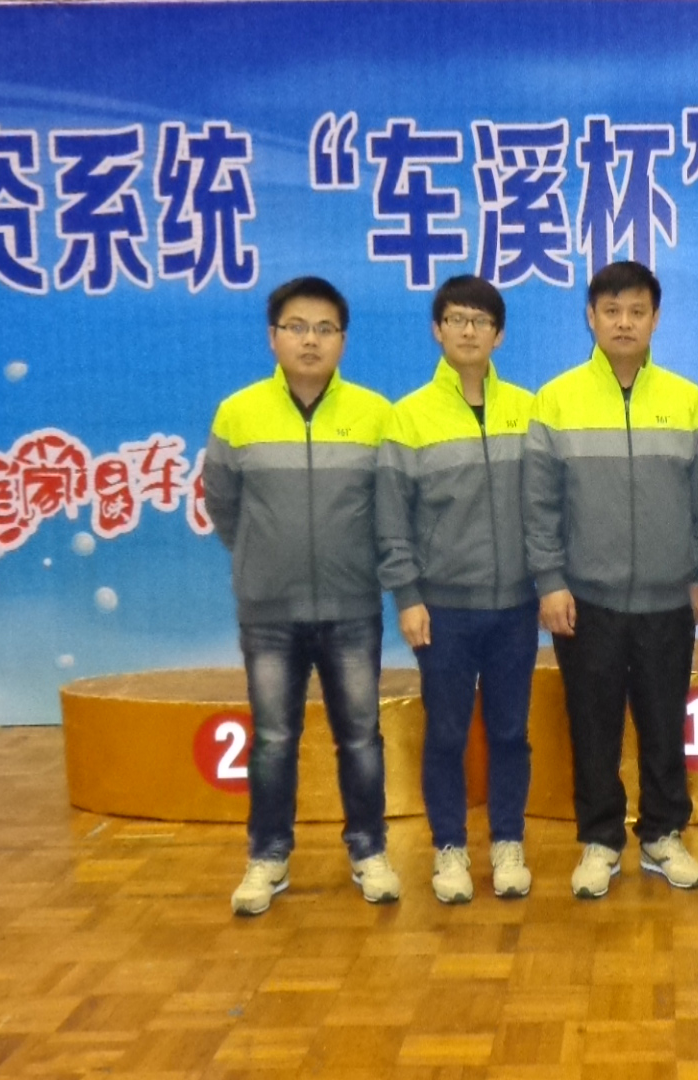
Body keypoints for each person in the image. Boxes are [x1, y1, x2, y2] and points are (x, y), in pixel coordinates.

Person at [204, 275, 397, 914]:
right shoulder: (238, 413)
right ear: (273, 337)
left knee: (361, 738)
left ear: (343, 339)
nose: (310, 340)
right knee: (272, 739)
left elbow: (389, 509)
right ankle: (267, 856)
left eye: (324, 329)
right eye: (296, 327)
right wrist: (264, 557)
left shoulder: (375, 414)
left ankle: (369, 850)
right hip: (269, 611)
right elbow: (223, 505)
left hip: (352, 606)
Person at [523, 260, 698, 899]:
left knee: (663, 724)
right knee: (593, 726)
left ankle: (663, 835)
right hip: (586, 599)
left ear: (655, 318)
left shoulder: (684, 399)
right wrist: (551, 581)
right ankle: (600, 840)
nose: (624, 323)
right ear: (591, 317)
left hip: (666, 599)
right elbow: (540, 504)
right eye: (611, 311)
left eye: (636, 311)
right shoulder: (557, 399)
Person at [377, 275, 537, 904]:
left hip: (516, 607)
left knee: (510, 732)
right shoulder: (409, 416)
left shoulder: (528, 409)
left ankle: (508, 842)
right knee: (445, 733)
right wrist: (407, 596)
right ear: (437, 330)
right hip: (441, 609)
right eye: (456, 319)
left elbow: (546, 507)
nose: (469, 330)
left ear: (499, 335)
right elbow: (392, 520)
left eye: (481, 321)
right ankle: (449, 846)